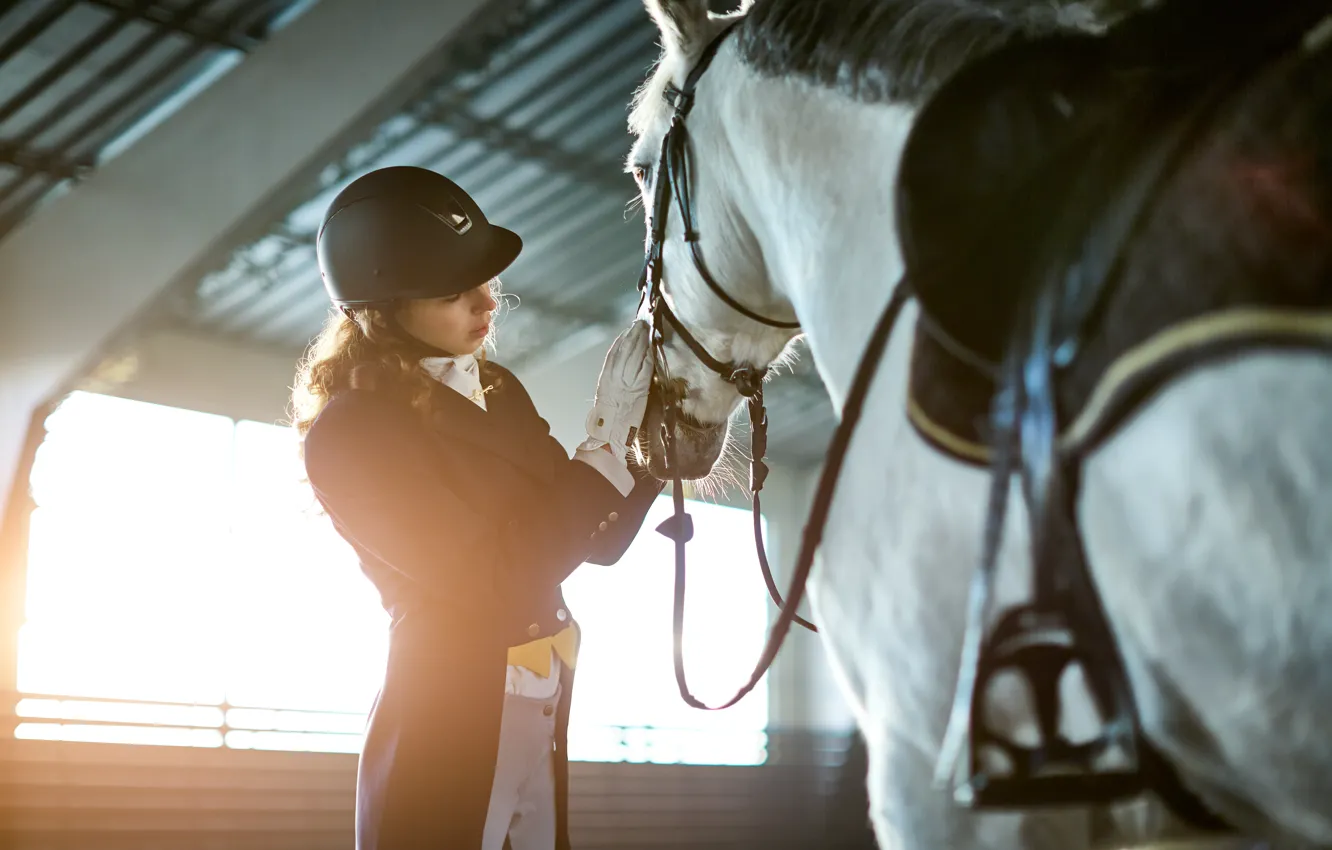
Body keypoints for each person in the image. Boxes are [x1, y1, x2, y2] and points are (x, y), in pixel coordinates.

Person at [291, 165, 665, 850]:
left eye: (484, 280)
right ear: (384, 306)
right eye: (453, 290)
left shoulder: (496, 388)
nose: (487, 302)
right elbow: (496, 573)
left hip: (542, 695)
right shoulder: (349, 434)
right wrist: (605, 452)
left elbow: (595, 538)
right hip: (449, 714)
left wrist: (653, 442)